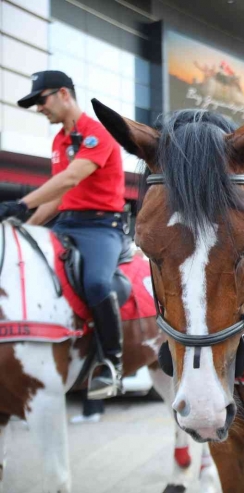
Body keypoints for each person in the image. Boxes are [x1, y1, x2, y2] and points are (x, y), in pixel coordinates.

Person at [0, 70, 128, 399]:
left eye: (41, 100)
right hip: (65, 224)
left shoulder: (97, 133)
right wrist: (24, 229)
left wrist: (19, 204)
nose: (39, 108)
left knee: (97, 282)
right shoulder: (58, 140)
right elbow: (58, 198)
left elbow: (71, 179)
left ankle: (112, 362)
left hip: (101, 228)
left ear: (63, 94)